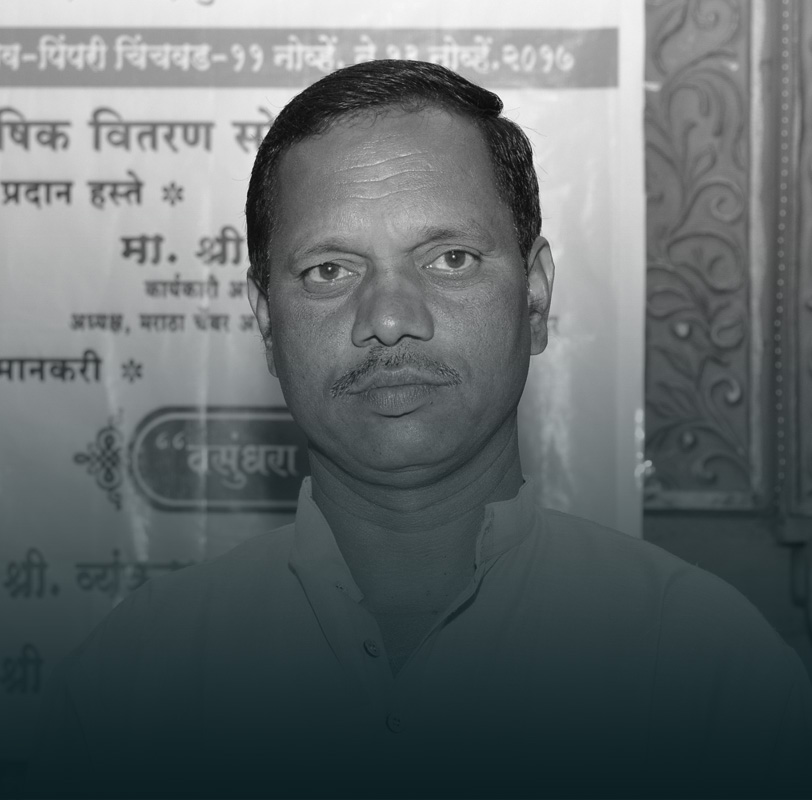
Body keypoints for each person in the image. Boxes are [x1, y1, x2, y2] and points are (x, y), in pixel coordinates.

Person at [29, 60, 811, 799]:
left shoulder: (711, 673)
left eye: (451, 258)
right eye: (329, 271)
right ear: (267, 325)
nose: (390, 318)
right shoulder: (125, 692)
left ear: (536, 297)